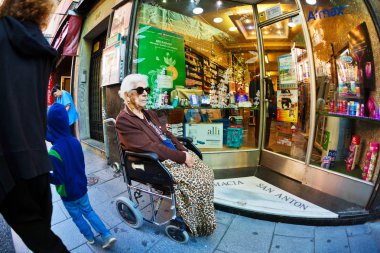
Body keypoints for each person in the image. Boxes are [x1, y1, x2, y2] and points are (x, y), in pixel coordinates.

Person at [0, 0, 69, 252]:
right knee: (44, 237)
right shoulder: (41, 49)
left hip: (7, 169)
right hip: (38, 162)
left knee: (44, 244)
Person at [116, 74, 216, 237]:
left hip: (171, 154)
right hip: (155, 162)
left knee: (206, 173)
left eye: (146, 90)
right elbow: (151, 147)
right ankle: (193, 222)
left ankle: (202, 214)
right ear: (128, 95)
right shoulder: (124, 120)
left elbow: (166, 133)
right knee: (195, 181)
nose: (145, 93)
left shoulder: (148, 113)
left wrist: (182, 149)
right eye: (140, 90)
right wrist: (182, 157)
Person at [46, 103, 117, 249]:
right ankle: (106, 235)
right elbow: (80, 164)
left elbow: (59, 179)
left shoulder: (54, 151)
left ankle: (90, 238)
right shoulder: (75, 141)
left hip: (68, 194)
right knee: (89, 211)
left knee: (77, 217)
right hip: (81, 187)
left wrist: (46, 176)